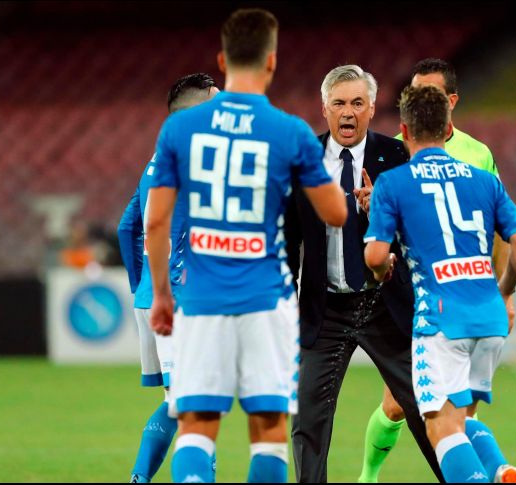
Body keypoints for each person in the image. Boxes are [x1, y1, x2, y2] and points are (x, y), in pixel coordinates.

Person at [146, 9, 346, 483]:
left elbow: (155, 222)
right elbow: (336, 213)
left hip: (200, 299)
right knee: (270, 430)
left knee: (196, 428)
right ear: (272, 63)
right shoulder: (291, 132)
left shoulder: (179, 130)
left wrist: (160, 294)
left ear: (221, 59)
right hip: (266, 301)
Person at [364, 85, 516, 483]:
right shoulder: (483, 180)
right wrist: (504, 290)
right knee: (461, 416)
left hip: (441, 319)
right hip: (489, 316)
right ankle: (498, 468)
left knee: (440, 426)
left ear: (403, 130)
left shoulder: (394, 182)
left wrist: (381, 270)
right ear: (447, 128)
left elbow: (374, 256)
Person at [285, 65, 443, 483]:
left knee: (427, 410)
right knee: (308, 420)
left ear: (373, 109)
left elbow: (423, 235)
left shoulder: (397, 159)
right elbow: (287, 241)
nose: (348, 112)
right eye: (339, 103)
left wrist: (384, 215)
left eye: (357, 102)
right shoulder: (303, 165)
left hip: (385, 305)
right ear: (324, 109)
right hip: (326, 309)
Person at [117, 72, 219, 483]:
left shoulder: (157, 159)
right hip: (182, 302)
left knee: (181, 402)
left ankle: (140, 478)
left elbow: (128, 227)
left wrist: (140, 287)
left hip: (153, 299)